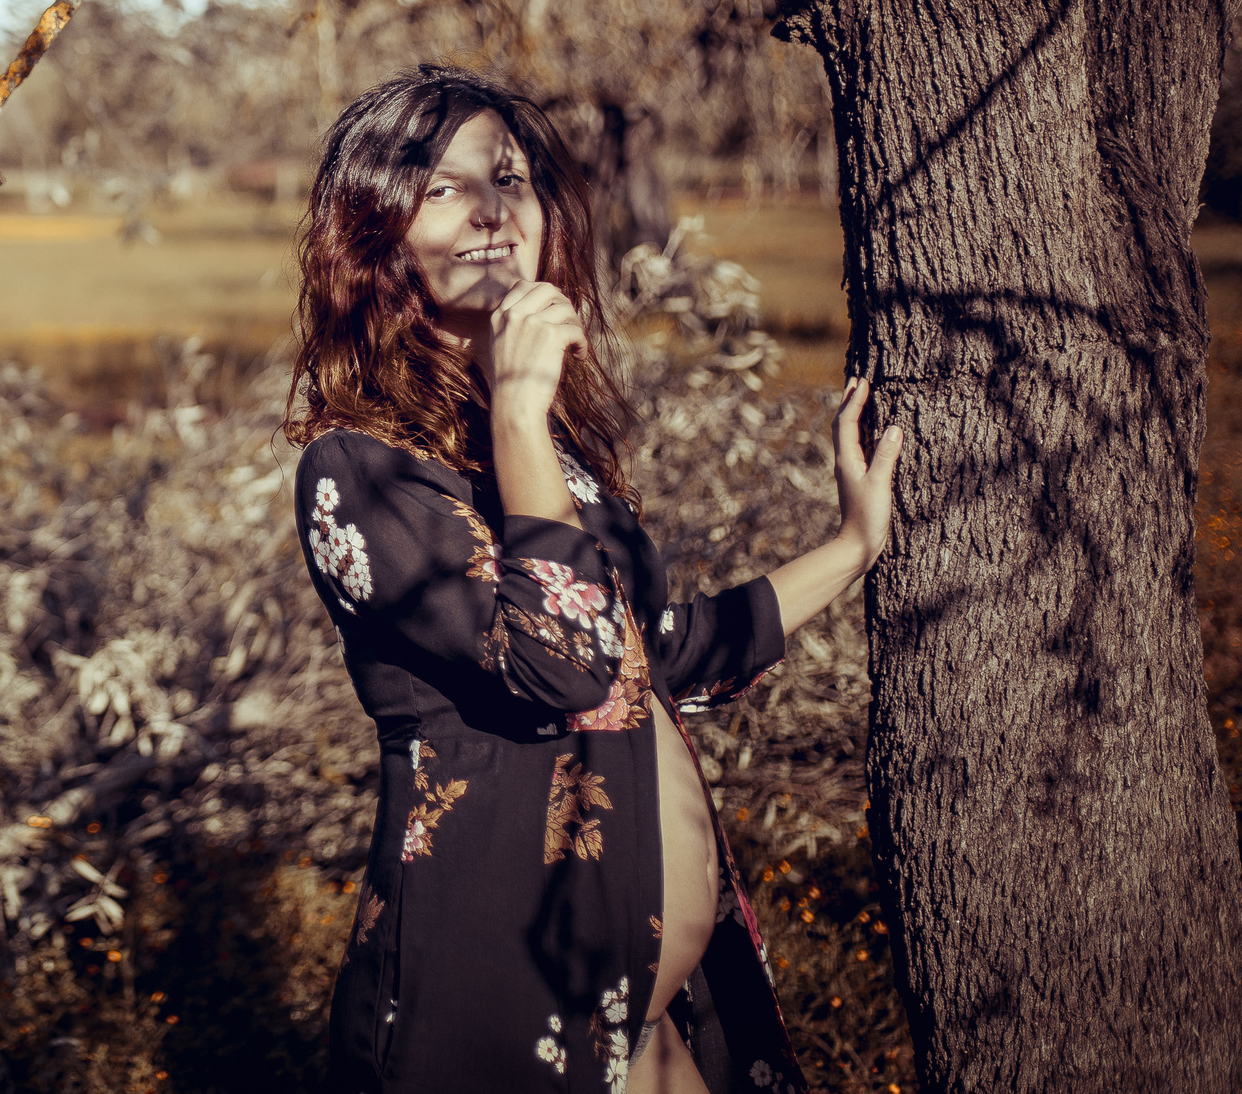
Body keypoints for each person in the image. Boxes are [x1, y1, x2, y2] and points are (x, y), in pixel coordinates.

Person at [284, 67, 902, 1094]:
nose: (489, 210)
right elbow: (567, 669)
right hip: (502, 1016)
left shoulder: (554, 454)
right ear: (375, 230)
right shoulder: (358, 471)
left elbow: (656, 658)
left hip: (650, 1015)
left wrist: (850, 546)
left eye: (510, 178)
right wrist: (518, 409)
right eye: (441, 188)